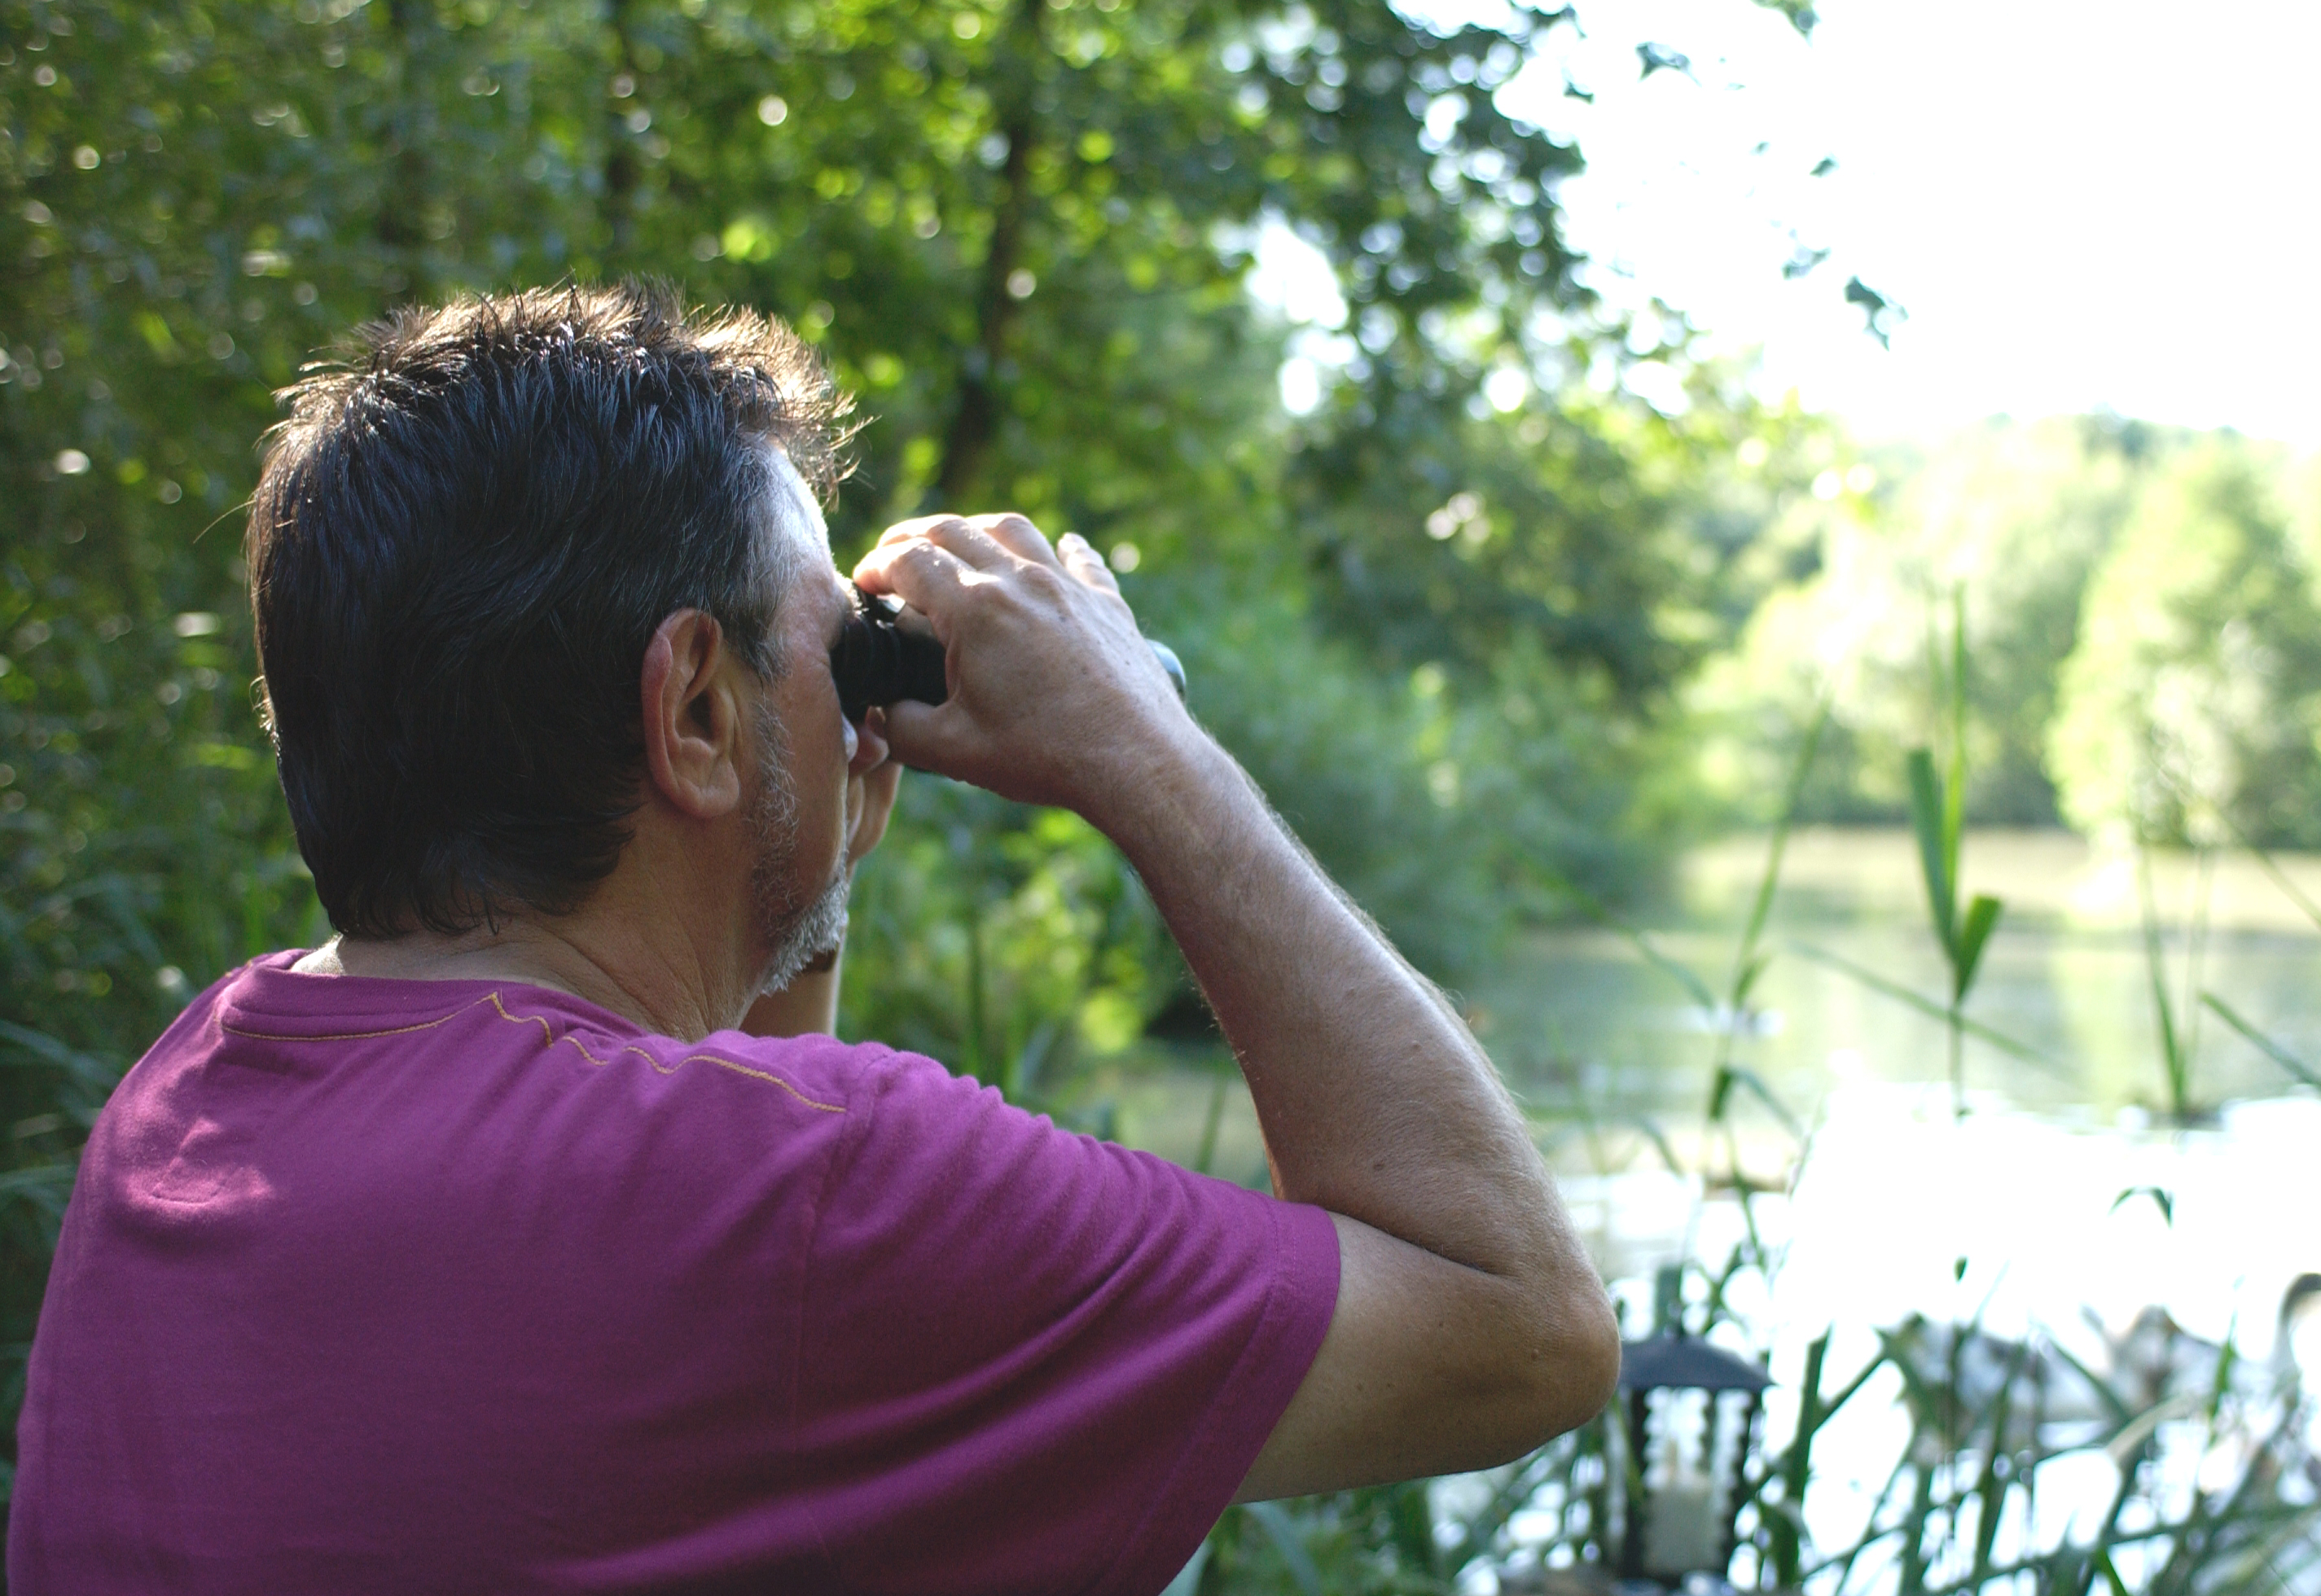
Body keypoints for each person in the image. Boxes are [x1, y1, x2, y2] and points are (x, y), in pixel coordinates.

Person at [10, 283, 1617, 1594]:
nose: (853, 700)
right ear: (697, 707)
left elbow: (717, 1241)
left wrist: (798, 860)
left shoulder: (186, 1105)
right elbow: (1517, 1323)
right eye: (828, 659)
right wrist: (1149, 749)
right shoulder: (825, 1194)